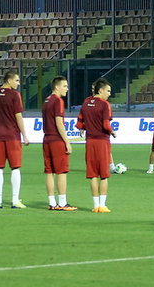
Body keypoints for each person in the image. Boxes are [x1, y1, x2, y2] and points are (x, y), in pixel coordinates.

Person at [0, 70, 30, 209]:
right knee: (15, 167)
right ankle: (15, 200)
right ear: (9, 80)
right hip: (13, 137)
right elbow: (18, 116)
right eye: (16, 80)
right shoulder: (15, 95)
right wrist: (25, 135)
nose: (18, 83)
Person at [77, 77, 116, 212]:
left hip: (90, 142)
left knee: (93, 174)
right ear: (100, 90)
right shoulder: (105, 105)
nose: (109, 94)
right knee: (104, 174)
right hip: (102, 142)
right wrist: (112, 132)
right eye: (108, 91)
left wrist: (82, 129)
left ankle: (95, 206)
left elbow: (80, 122)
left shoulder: (86, 102)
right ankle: (102, 205)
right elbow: (106, 124)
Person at [42, 75, 77, 211]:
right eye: (65, 86)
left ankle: (52, 202)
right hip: (56, 139)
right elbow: (59, 123)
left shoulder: (46, 101)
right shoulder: (58, 101)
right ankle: (62, 202)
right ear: (57, 87)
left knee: (49, 172)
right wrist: (67, 142)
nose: (67, 89)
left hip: (46, 139)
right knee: (61, 171)